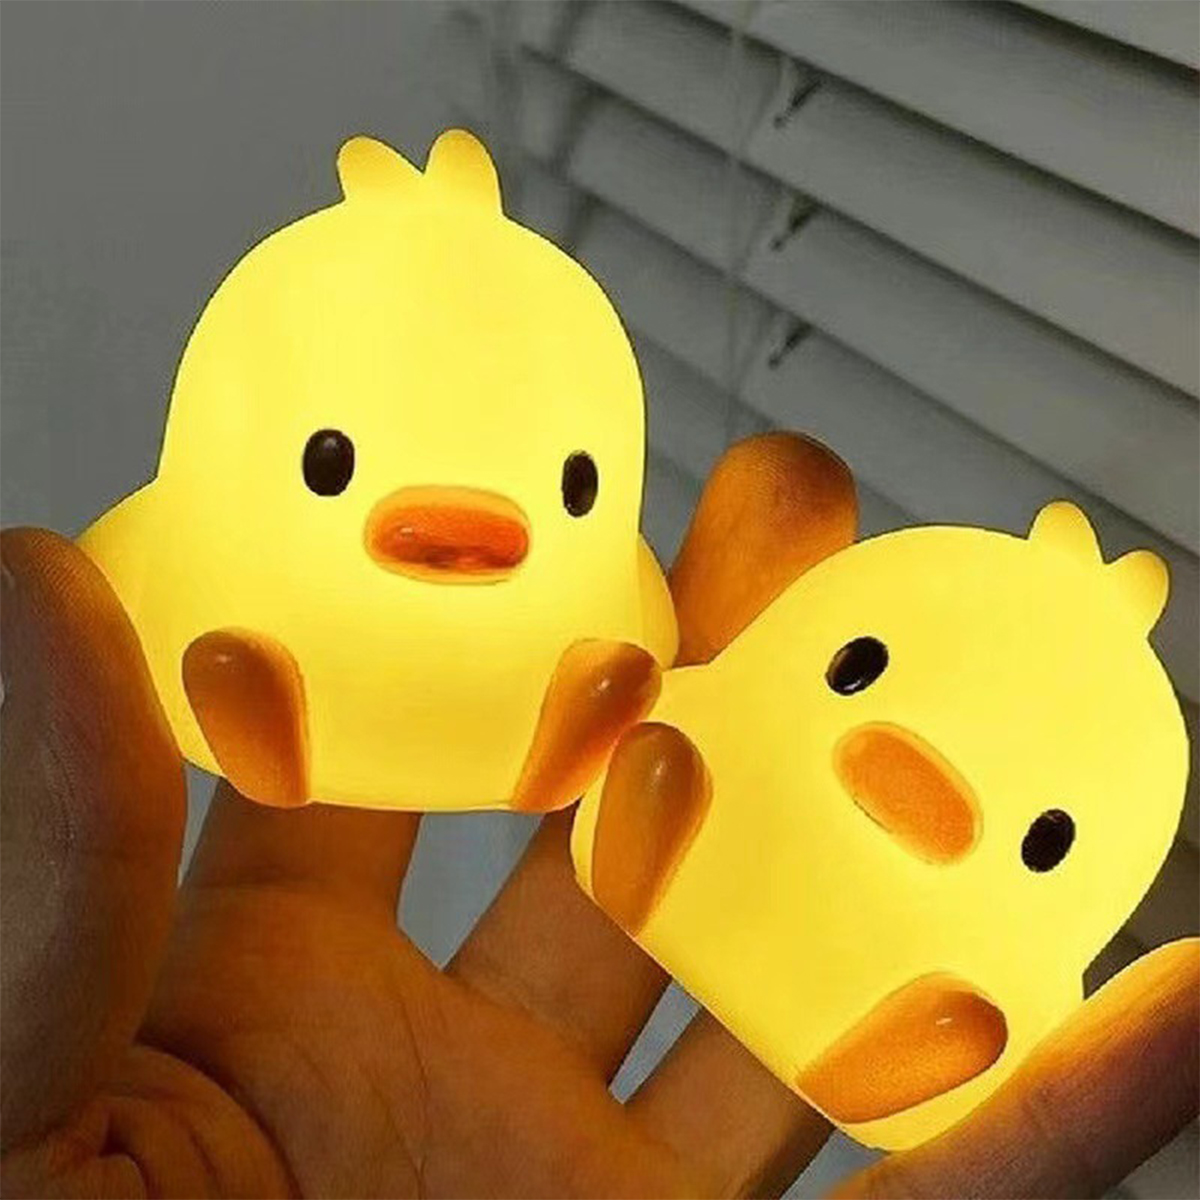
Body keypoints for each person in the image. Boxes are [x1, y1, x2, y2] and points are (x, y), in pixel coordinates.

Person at [2, 442, 1197, 1197]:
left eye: (1046, 841)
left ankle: (894, 1041)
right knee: (665, 772)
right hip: (680, 802)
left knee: (926, 1011)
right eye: (860, 668)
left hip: (876, 976)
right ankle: (651, 839)